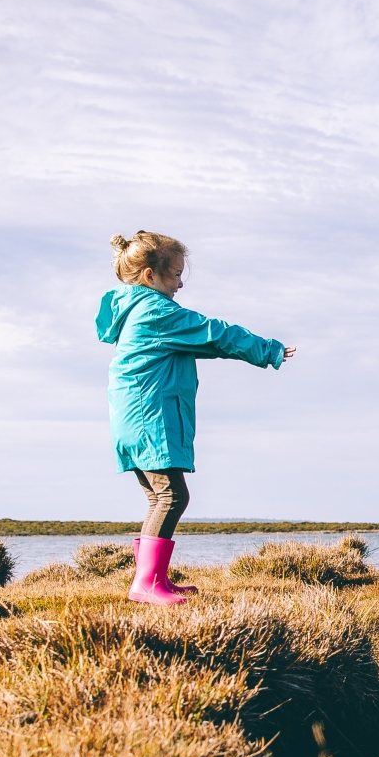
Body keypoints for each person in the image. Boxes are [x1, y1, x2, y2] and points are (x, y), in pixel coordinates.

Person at [96, 231, 295, 605]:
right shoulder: (157, 312)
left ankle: (155, 579)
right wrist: (268, 349)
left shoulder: (136, 310)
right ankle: (145, 584)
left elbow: (206, 343)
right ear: (149, 277)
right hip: (149, 417)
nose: (179, 282)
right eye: (173, 274)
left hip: (132, 420)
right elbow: (214, 334)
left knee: (159, 498)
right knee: (172, 496)